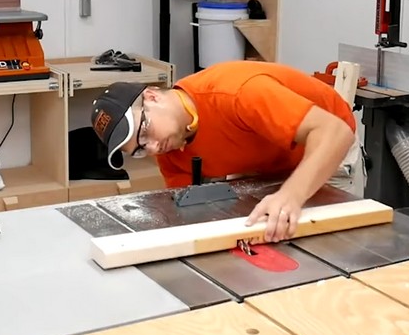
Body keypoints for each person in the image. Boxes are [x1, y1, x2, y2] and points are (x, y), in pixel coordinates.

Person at [89, 59, 357, 243]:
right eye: (139, 149)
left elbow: (335, 133)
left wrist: (290, 195)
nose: (153, 147)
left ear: (152, 96)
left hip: (327, 146)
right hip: (268, 165)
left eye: (145, 131)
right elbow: (187, 213)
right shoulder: (168, 148)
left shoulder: (237, 93)